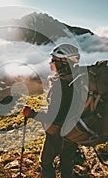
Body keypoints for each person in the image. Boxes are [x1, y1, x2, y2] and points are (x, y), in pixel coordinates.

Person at [22, 43, 82, 178]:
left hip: (57, 133)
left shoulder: (61, 86)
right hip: (74, 130)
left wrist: (32, 114)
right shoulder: (78, 79)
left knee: (46, 162)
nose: (51, 63)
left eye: (54, 60)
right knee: (67, 161)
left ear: (64, 63)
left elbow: (53, 117)